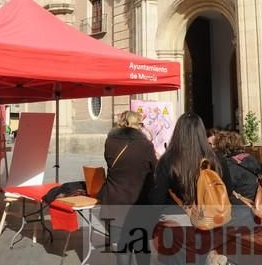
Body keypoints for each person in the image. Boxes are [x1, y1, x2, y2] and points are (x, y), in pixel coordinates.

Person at [150, 112, 231, 265]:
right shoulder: (217, 159)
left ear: (178, 132)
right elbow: (228, 190)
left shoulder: (168, 160)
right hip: (210, 224)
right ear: (201, 132)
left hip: (176, 228)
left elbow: (156, 199)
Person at [99, 111, 157, 265]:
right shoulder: (146, 145)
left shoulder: (109, 142)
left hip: (115, 202)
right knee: (141, 247)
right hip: (139, 203)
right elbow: (154, 171)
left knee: (122, 248)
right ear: (137, 125)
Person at [213, 130, 262, 229]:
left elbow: (224, 191)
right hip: (255, 209)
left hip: (239, 216)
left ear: (223, 146)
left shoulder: (229, 165)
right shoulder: (250, 159)